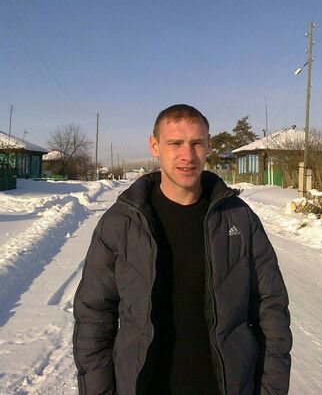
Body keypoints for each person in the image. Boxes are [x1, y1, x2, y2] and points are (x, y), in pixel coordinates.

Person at [73, 104, 292, 395]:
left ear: (209, 145)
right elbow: (94, 316)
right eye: (175, 143)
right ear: (155, 146)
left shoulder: (240, 219)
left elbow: (271, 308)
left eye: (196, 143)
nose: (187, 155)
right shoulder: (121, 223)